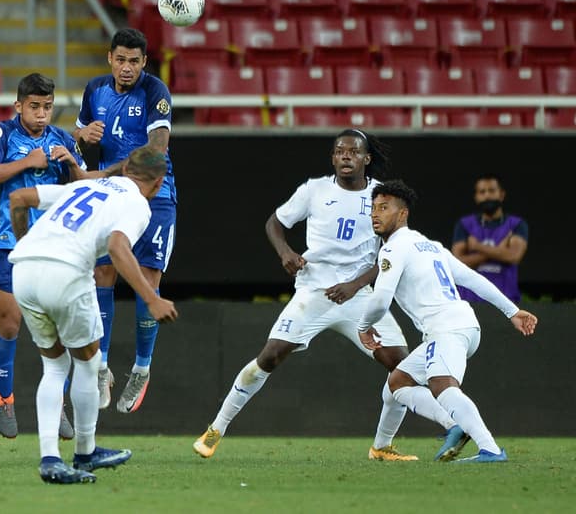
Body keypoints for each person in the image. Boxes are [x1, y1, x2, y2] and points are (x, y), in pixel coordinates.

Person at [193, 130, 459, 462]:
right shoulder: (314, 189)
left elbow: (392, 253)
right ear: (333, 158)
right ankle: (216, 428)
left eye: (353, 151)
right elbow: (274, 222)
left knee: (402, 367)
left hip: (359, 297)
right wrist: (285, 252)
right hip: (314, 292)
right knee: (271, 355)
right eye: (339, 151)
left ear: (366, 159)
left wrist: (355, 285)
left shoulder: (381, 198)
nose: (346, 155)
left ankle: (384, 445)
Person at [9, 147, 179, 483]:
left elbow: (19, 197)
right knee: (87, 361)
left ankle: (50, 458)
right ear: (158, 183)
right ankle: (84, 452)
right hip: (67, 273)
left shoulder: (83, 187)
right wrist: (151, 298)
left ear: (126, 168)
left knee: (55, 365)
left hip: (24, 269)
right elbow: (118, 247)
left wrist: (26, 242)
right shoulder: (137, 204)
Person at [359, 180, 539, 463]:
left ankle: (490, 450)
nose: (375, 214)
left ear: (402, 213)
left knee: (443, 387)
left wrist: (363, 326)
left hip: (446, 328)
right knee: (397, 382)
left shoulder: (393, 249)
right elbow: (473, 279)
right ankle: (382, 447)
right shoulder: (432, 246)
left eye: (384, 207)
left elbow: (381, 299)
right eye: (373, 208)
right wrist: (512, 311)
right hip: (463, 324)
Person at [0, 72, 86, 439]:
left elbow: (87, 190)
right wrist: (26, 162)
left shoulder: (62, 140)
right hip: (8, 243)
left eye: (48, 107)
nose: (41, 114)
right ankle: (4, 398)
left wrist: (72, 164)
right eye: (34, 106)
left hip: (53, 247)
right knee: (10, 323)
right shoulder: (1, 135)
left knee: (61, 328)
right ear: (18, 105)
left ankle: (59, 402)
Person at [73, 27, 176, 413]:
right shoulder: (95, 89)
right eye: (121, 60)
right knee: (102, 276)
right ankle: (101, 368)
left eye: (134, 61)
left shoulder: (154, 92)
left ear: (144, 63)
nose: (127, 67)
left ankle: (141, 368)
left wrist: (102, 175)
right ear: (109, 59)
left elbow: (155, 152)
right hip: (109, 197)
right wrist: (81, 133)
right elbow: (79, 136)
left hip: (154, 194)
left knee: (147, 282)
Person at [451, 175, 529, 305]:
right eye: (482, 192)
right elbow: (457, 263)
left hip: (506, 302)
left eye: (492, 191)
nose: (487, 196)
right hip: (469, 302)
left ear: (501, 195)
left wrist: (477, 246)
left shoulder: (516, 224)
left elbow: (513, 256)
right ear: (476, 197)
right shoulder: (464, 224)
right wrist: (500, 251)